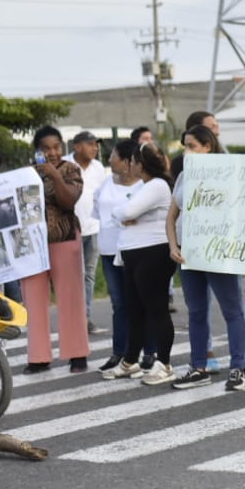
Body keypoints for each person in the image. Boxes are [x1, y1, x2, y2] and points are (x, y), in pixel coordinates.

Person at [167, 124, 245, 392]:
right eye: (185, 146)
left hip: (219, 252)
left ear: (208, 146)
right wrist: (173, 246)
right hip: (188, 254)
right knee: (196, 312)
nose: (187, 151)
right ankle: (199, 367)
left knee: (231, 310)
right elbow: (172, 216)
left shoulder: (228, 174)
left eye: (192, 146)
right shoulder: (184, 176)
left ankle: (237, 367)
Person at [20, 126, 90, 374]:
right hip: (33, 245)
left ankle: (77, 354)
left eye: (56, 147)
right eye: (46, 148)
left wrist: (54, 175)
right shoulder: (25, 173)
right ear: (37, 150)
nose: (52, 152)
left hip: (64, 237)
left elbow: (68, 200)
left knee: (70, 297)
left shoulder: (71, 169)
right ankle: (38, 356)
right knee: (34, 299)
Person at [107, 143, 175, 384]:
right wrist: (124, 215)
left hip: (153, 254)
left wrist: (126, 215)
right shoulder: (143, 186)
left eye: (133, 161)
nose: (130, 165)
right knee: (135, 310)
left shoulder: (157, 185)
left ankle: (165, 363)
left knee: (156, 310)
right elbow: (123, 214)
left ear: (141, 164)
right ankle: (129, 360)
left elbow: (127, 212)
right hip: (133, 254)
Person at [96, 138, 149, 374]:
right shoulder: (106, 183)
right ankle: (120, 352)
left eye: (113, 155)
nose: (109, 159)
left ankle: (149, 352)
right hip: (109, 251)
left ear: (128, 162)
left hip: (134, 251)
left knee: (141, 301)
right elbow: (97, 210)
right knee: (119, 304)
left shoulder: (144, 186)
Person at [71, 131, 107, 335]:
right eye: (90, 144)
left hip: (93, 228)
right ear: (77, 147)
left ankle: (85, 317)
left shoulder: (98, 167)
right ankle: (73, 317)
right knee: (72, 276)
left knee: (89, 274)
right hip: (71, 229)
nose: (95, 148)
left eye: (96, 145)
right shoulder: (67, 164)